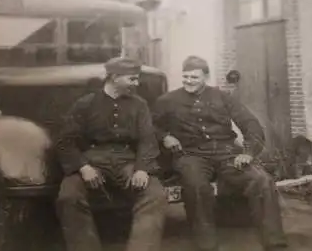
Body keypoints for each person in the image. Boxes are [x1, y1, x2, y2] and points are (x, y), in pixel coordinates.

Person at [152, 55, 288, 251]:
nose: (189, 82)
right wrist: (165, 136)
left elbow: (251, 124)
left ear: (205, 77)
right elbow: (149, 126)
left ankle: (275, 244)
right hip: (191, 155)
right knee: (197, 187)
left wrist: (248, 152)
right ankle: (206, 245)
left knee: (262, 181)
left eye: (194, 78)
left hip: (227, 153)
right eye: (186, 77)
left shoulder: (222, 97)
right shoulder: (167, 100)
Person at [54, 57, 167, 251]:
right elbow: (65, 141)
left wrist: (142, 169)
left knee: (155, 194)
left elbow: (147, 139)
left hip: (127, 161)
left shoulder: (139, 105)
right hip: (92, 160)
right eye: (132, 79)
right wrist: (83, 167)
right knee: (69, 196)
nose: (136, 83)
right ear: (114, 77)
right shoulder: (86, 104)